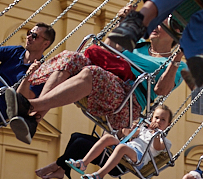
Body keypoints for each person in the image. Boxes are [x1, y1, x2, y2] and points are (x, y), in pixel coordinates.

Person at [12, 21, 183, 133]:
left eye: (161, 24)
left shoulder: (177, 64)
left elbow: (161, 90)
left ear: (175, 33)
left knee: (92, 72)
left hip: (127, 102)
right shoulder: (139, 44)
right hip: (107, 81)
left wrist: (176, 59)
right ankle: (35, 119)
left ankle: (30, 105)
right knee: (71, 57)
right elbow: (106, 49)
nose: (155, 26)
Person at [70, 105, 174, 179]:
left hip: (139, 157)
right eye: (156, 118)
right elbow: (127, 133)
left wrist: (156, 133)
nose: (158, 121)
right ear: (151, 119)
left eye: (163, 119)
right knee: (108, 138)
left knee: (122, 147)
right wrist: (131, 128)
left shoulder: (165, 141)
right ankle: (83, 163)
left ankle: (99, 176)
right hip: (128, 147)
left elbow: (157, 146)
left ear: (168, 124)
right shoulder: (144, 129)